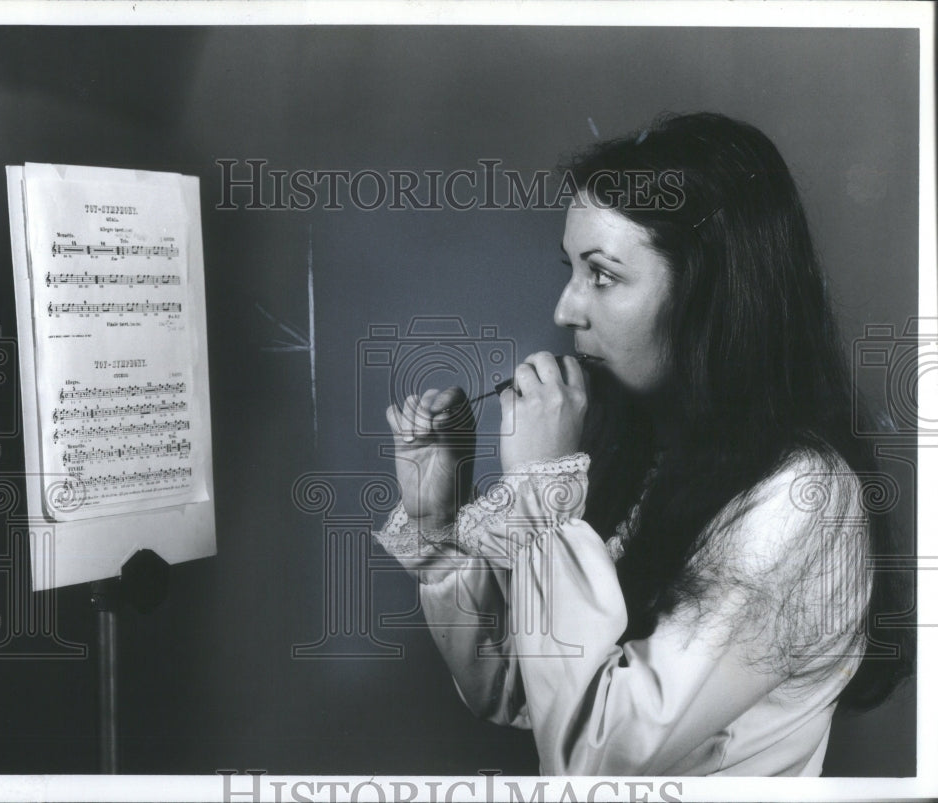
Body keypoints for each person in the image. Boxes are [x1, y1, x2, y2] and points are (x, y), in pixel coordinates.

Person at [373, 112, 913, 776]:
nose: (565, 310)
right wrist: (439, 527)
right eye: (571, 270)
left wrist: (544, 493)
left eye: (601, 275)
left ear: (704, 294)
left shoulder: (802, 499)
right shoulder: (645, 449)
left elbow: (592, 753)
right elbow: (516, 691)